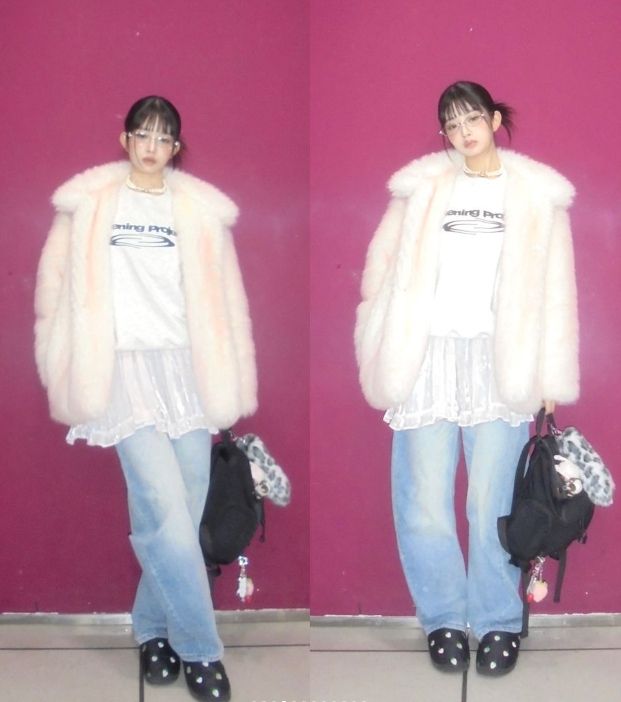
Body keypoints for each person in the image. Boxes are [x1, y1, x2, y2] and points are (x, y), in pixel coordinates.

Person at [34, 95, 257, 701]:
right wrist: (63, 362)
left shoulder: (199, 211)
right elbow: (55, 289)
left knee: (183, 504)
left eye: (163, 137)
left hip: (186, 369)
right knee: (162, 504)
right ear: (126, 139)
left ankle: (152, 629)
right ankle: (200, 649)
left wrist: (229, 372)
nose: (152, 147)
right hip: (121, 371)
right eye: (143, 134)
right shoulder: (90, 205)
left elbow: (225, 299)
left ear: (176, 147)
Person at [355, 81, 578, 676]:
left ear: (495, 119)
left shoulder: (535, 194)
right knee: (424, 501)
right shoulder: (423, 189)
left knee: (489, 503)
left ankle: (497, 620)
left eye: (472, 119)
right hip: (426, 357)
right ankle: (444, 619)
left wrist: (550, 371)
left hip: (498, 362)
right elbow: (383, 274)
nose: (463, 133)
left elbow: (556, 289)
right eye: (451, 125)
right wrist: (381, 345)